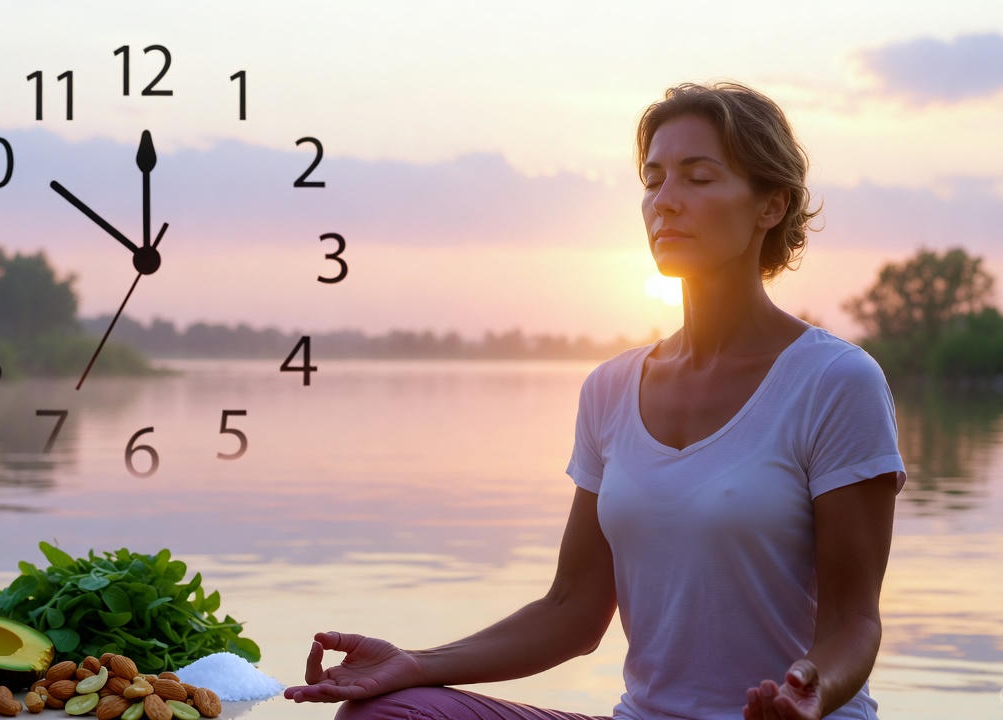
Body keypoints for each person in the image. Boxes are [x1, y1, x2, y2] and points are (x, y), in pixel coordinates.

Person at [283, 81, 906, 720]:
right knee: (386, 715)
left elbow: (855, 621)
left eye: (698, 178)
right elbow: (573, 611)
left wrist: (812, 688)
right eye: (653, 179)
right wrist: (415, 663)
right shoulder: (610, 389)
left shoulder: (834, 382)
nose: (665, 202)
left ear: (770, 204)